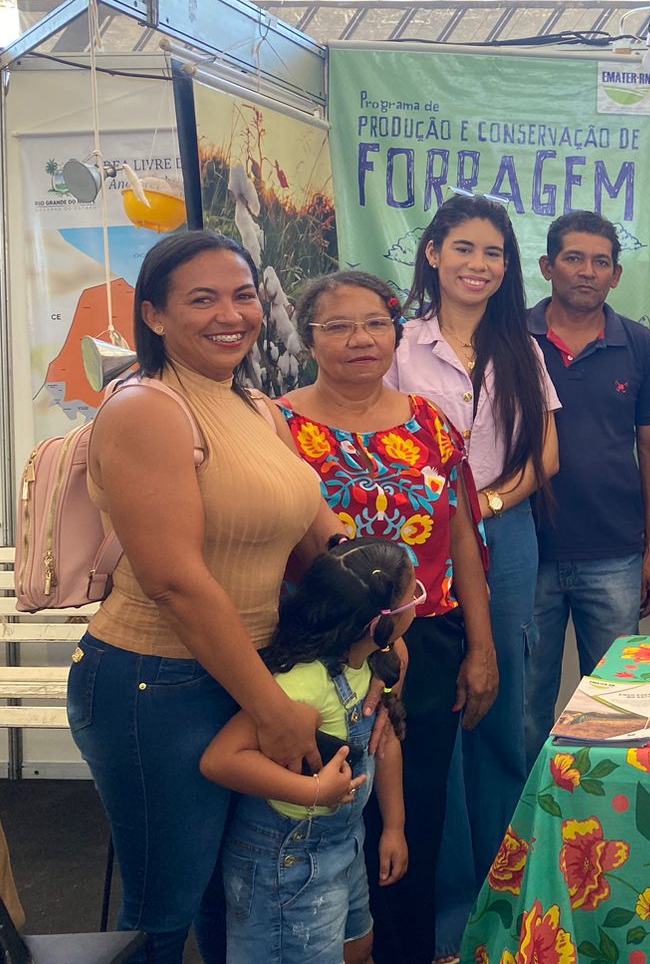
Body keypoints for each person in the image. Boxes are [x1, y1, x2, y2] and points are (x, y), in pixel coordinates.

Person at [68, 229, 344, 964]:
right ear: (154, 315)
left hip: (253, 668)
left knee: (242, 895)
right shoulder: (146, 410)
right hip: (158, 684)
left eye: (244, 295)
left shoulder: (257, 407)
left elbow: (323, 538)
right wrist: (271, 707)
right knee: (164, 910)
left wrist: (381, 614)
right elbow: (176, 582)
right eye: (202, 299)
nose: (232, 314)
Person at [280, 269, 498, 964]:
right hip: (315, 655)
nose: (359, 339)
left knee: (415, 816)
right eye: (337, 326)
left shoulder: (432, 422)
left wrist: (482, 648)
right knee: (324, 815)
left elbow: (462, 534)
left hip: (424, 643)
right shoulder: (276, 426)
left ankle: (407, 949)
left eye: (374, 323)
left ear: (395, 332)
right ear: (308, 337)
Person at [384, 193, 558, 945]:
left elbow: (546, 457)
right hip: (416, 549)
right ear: (432, 253)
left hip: (505, 533)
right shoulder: (395, 345)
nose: (478, 265)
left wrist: (480, 507)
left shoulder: (524, 348)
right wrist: (447, 520)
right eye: (463, 249)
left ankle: (509, 887)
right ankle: (448, 909)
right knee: (435, 709)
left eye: (493, 253)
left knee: (503, 701)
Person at [201, 538, 417, 964]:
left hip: (344, 845)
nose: (418, 603)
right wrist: (313, 793)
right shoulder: (303, 687)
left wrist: (394, 825)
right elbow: (220, 759)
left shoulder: (372, 663)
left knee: (358, 948)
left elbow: (384, 741)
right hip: (287, 860)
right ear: (380, 625)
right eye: (414, 596)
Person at [527, 212, 650, 749]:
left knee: (615, 710)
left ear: (616, 275)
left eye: (601, 262)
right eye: (573, 258)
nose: (586, 272)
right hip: (528, 551)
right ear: (547, 266)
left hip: (615, 553)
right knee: (526, 709)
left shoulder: (637, 344)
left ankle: (605, 825)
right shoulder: (512, 338)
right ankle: (527, 829)